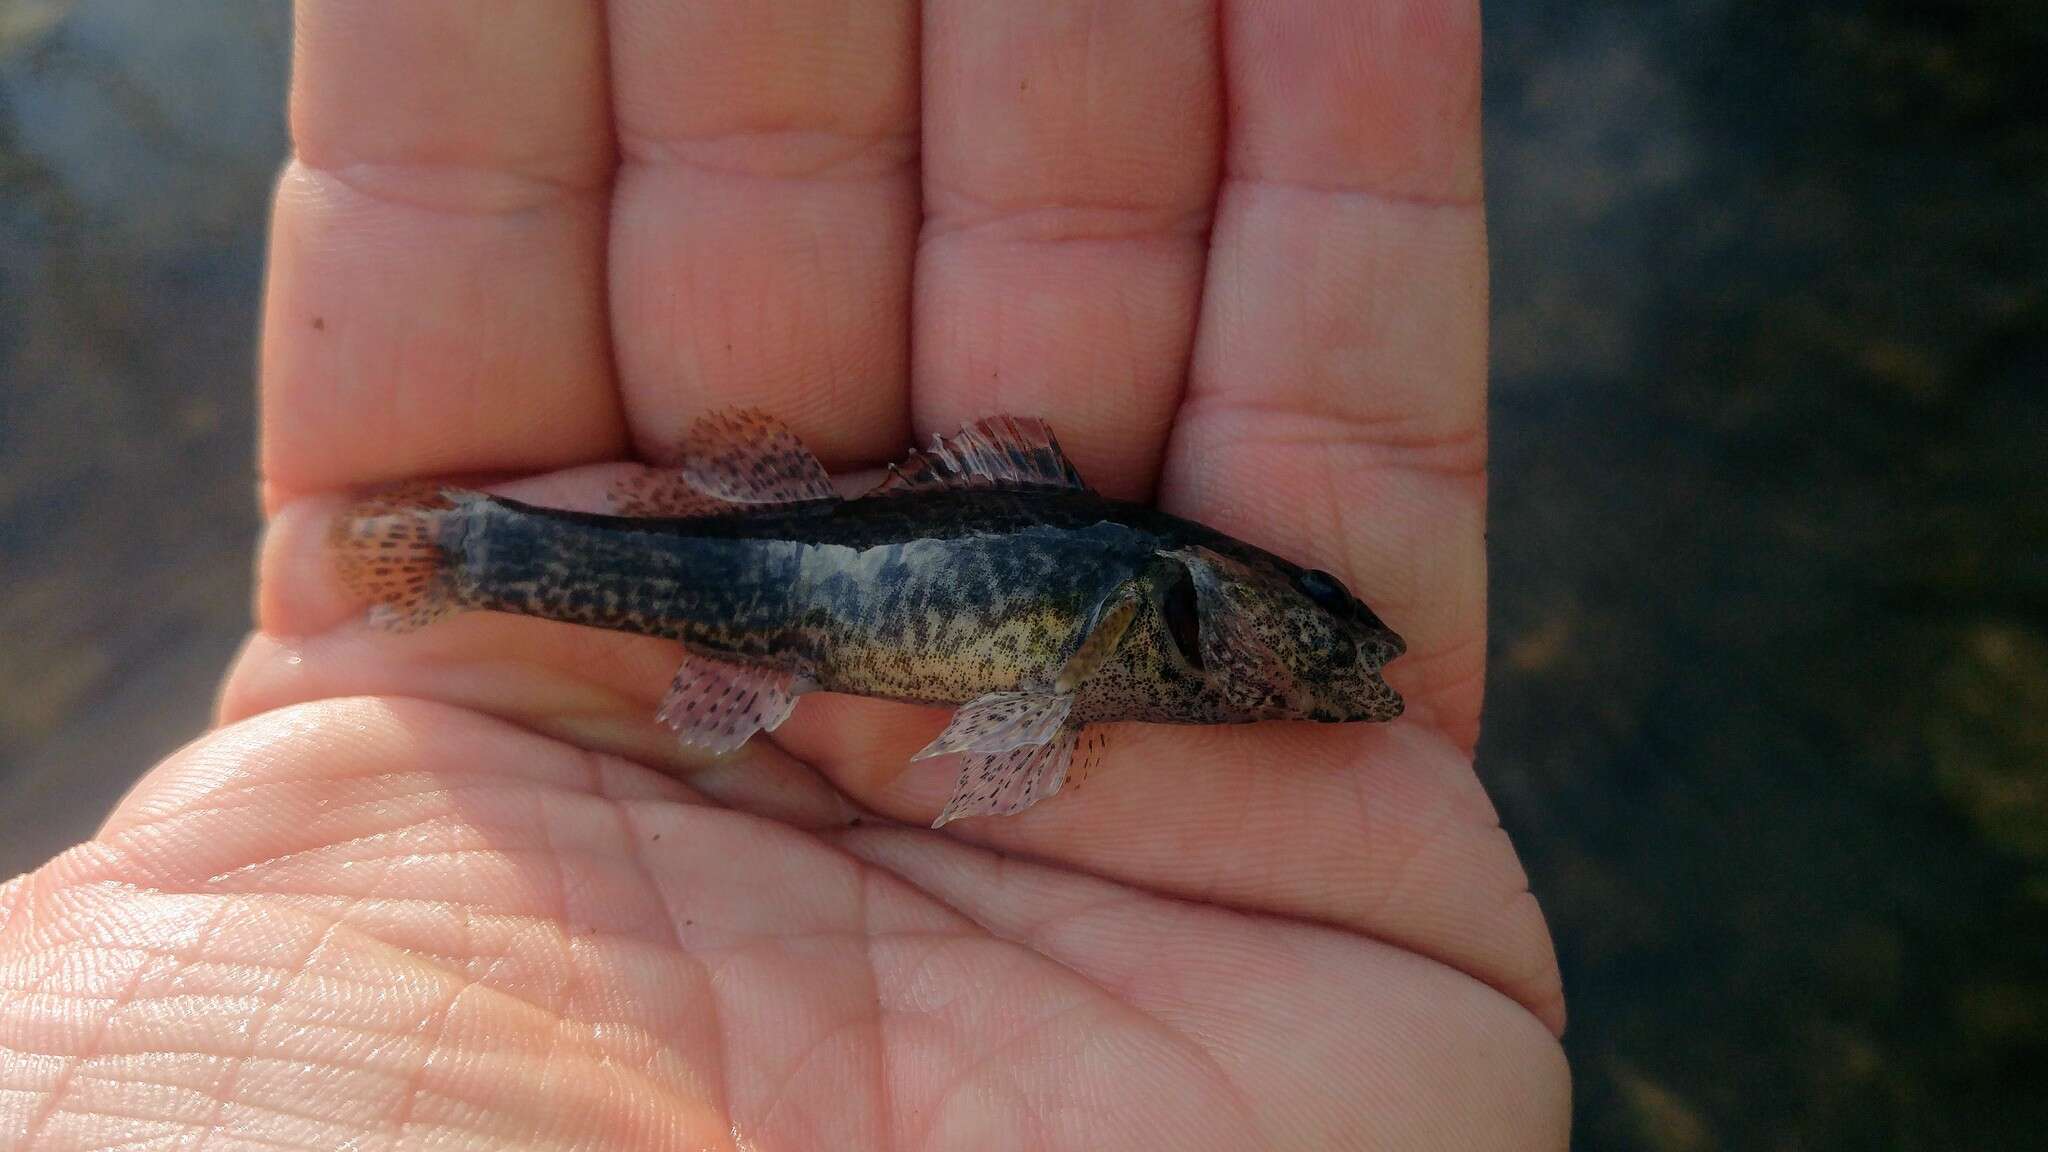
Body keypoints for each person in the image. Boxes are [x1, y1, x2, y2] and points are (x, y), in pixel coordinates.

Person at [1, 3, 1567, 1147]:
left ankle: (460, 554)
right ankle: (464, 553)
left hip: (811, 581)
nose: (1342, 666)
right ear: (1214, 615)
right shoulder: (1139, 609)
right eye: (1315, 636)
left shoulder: (1158, 624)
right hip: (788, 581)